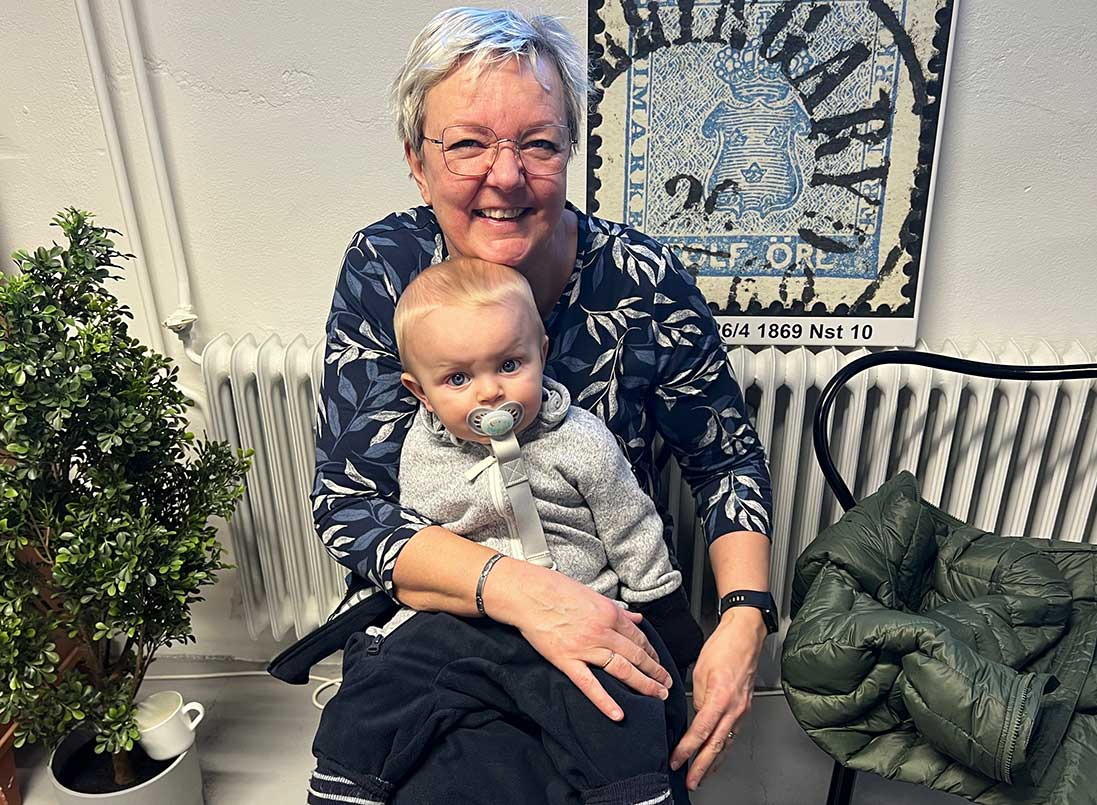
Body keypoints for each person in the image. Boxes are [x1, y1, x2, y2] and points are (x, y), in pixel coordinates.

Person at [300, 7, 775, 803]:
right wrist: (528, 594)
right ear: (417, 161)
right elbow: (351, 505)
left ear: (570, 151)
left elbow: (726, 458)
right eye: (468, 143)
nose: (507, 174)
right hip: (445, 621)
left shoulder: (645, 280)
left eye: (539, 143)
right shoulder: (386, 268)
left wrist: (743, 618)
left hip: (607, 614)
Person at [310, 257, 691, 804]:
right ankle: (345, 785)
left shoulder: (581, 439)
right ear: (421, 392)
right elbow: (420, 534)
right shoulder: (422, 452)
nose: (489, 392)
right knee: (379, 684)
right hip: (464, 616)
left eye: (510, 365)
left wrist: (662, 606)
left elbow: (631, 525)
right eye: (458, 379)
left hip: (580, 606)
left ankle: (634, 794)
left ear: (542, 352)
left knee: (621, 707)